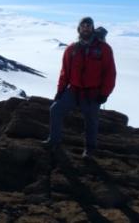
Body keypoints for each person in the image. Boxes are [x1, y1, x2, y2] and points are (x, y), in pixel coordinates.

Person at [42, 17, 116, 158]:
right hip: (74, 90)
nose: (86, 28)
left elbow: (110, 73)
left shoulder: (104, 49)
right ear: (79, 29)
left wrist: (104, 93)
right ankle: (54, 140)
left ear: (92, 29)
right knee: (55, 109)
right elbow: (65, 72)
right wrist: (60, 91)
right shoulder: (71, 49)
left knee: (91, 121)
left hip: (93, 92)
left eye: (89, 26)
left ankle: (90, 149)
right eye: (83, 26)